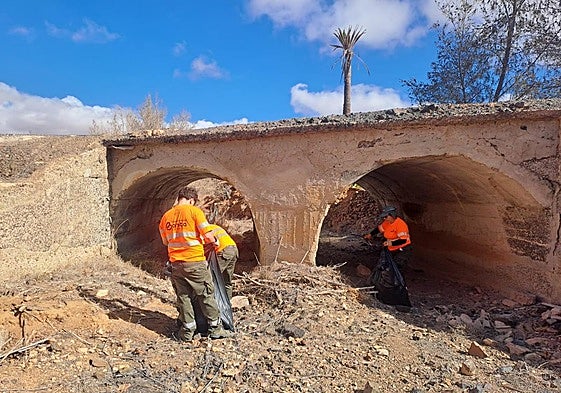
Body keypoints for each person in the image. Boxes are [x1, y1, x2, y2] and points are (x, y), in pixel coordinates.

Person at [159, 186, 232, 341]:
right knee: (206, 294)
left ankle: (187, 331)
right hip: (195, 262)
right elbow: (209, 237)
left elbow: (166, 241)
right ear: (191, 200)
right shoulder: (194, 212)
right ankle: (215, 328)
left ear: (179, 198)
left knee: (183, 297)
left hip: (176, 264)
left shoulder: (166, 217)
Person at [364, 206, 412, 271]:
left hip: (402, 250)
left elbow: (403, 240)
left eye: (386, 217)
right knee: (383, 265)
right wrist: (370, 234)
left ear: (392, 215)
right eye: (383, 217)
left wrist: (391, 243)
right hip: (391, 248)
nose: (384, 218)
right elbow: (379, 229)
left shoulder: (401, 225)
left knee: (395, 268)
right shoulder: (387, 223)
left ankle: (396, 279)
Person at [204, 223, 238, 300]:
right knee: (226, 281)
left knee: (210, 277)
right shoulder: (214, 227)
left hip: (223, 251)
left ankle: (210, 304)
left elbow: (208, 247)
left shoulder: (204, 230)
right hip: (233, 249)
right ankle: (227, 305)